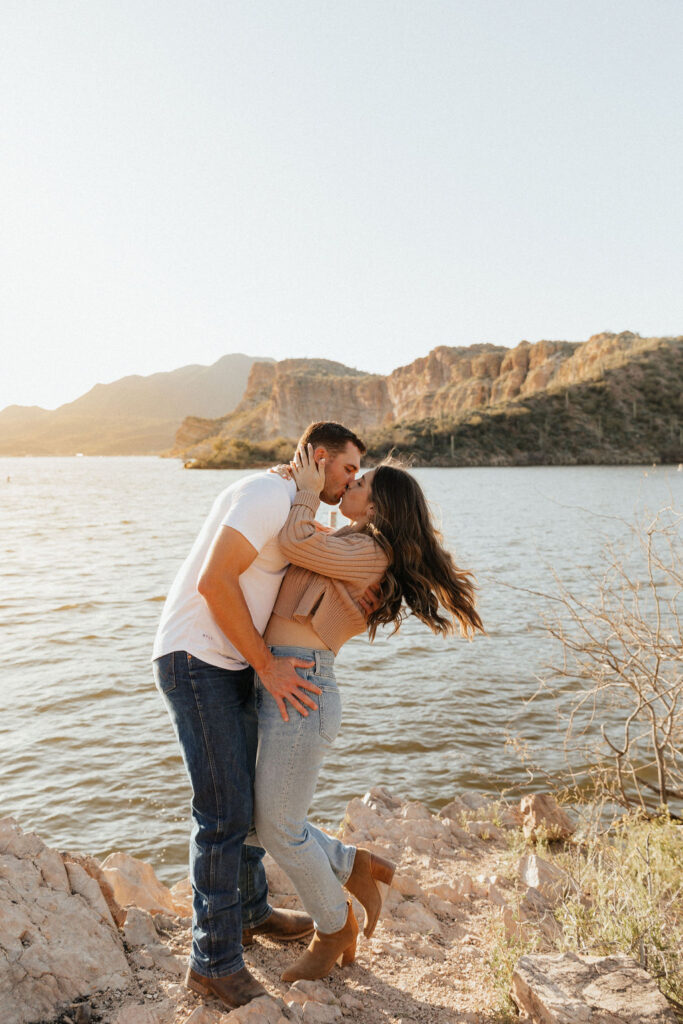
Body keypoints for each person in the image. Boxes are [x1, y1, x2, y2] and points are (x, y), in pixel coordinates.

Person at [152, 421, 369, 1010]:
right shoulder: (266, 495)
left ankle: (249, 912)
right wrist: (270, 669)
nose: (352, 481)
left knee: (245, 802)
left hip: (233, 661)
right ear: (320, 457)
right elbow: (215, 581)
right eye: (349, 469)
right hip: (198, 658)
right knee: (222, 814)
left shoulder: (291, 500)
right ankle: (213, 964)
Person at [249, 444, 484, 983]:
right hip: (283, 680)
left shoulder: (369, 554)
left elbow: (292, 539)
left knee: (277, 828)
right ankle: (353, 864)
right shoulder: (350, 541)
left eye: (359, 483)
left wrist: (306, 492)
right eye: (350, 477)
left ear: (377, 508)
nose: (348, 484)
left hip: (302, 685)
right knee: (252, 822)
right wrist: (287, 483)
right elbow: (295, 540)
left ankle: (335, 927)